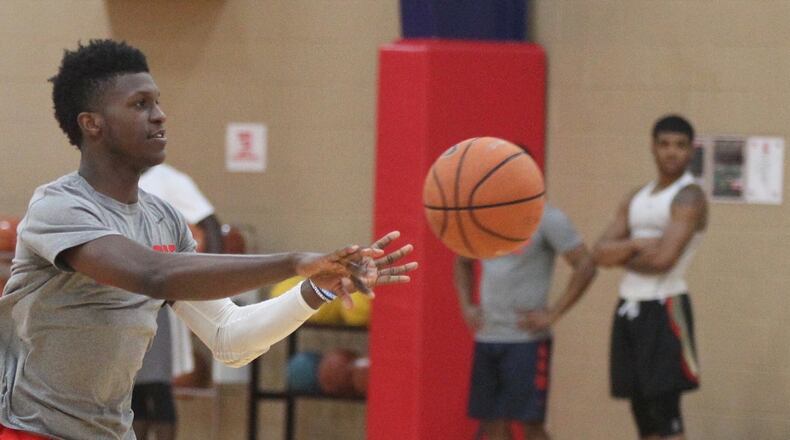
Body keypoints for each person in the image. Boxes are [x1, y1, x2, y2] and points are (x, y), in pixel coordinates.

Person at [0, 39, 417, 440]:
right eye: (140, 104)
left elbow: (230, 338)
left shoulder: (164, 221)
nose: (159, 115)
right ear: (92, 124)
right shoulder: (58, 207)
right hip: (27, 430)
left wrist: (312, 291)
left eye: (158, 101)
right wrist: (294, 262)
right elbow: (152, 274)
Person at [593, 115, 707, 440]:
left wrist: (620, 256)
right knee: (641, 411)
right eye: (665, 144)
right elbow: (599, 252)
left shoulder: (689, 197)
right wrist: (633, 245)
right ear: (653, 148)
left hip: (665, 305)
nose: (672, 152)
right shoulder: (636, 197)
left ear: (690, 151)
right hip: (629, 306)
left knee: (666, 409)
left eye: (680, 146)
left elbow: (664, 260)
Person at [454, 203, 597, 440]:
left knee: (529, 424)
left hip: (526, 340)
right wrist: (467, 307)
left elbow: (586, 265)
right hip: (488, 336)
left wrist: (553, 313)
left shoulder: (547, 218)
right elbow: (462, 262)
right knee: (492, 423)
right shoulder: (481, 217)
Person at [133, 164, 223, 440]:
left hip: (157, 296)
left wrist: (212, 280)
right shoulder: (110, 179)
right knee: (131, 390)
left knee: (156, 385)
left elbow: (210, 224)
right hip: (121, 297)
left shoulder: (169, 180)